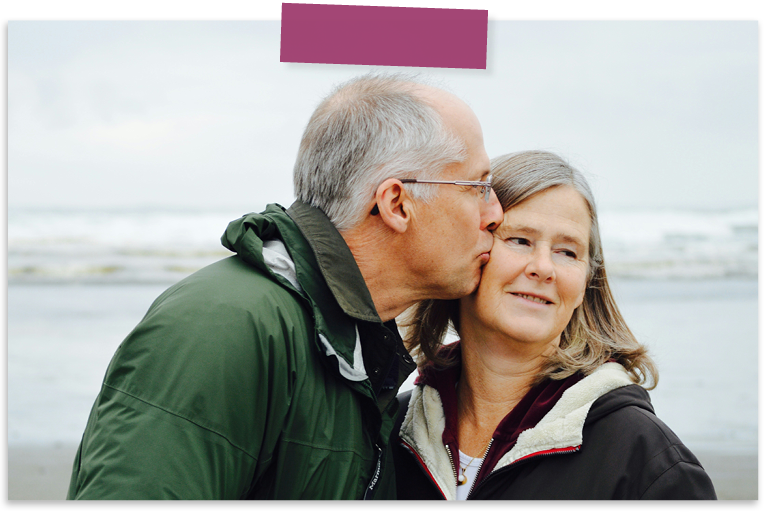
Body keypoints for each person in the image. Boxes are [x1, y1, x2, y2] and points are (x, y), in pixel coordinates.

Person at [66, 72, 503, 500]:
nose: (495, 213)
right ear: (396, 203)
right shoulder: (225, 326)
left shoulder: (350, 345)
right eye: (479, 186)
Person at [392, 150, 717, 500]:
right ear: (470, 251)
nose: (544, 267)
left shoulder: (648, 463)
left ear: (584, 286)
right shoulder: (391, 431)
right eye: (520, 240)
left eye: (567, 251)